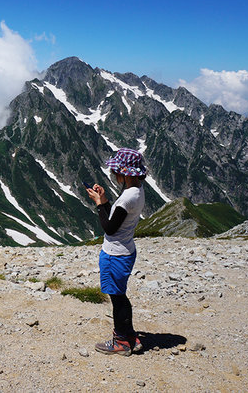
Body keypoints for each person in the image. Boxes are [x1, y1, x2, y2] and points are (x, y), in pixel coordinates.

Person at [86, 148, 147, 356]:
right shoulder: (137, 191)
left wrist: (98, 204)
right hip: (126, 250)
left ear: (124, 173)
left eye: (116, 171)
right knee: (121, 296)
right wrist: (104, 201)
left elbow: (110, 227)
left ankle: (121, 341)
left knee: (117, 298)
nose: (114, 175)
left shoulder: (127, 198)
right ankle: (128, 335)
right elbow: (118, 219)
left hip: (114, 254)